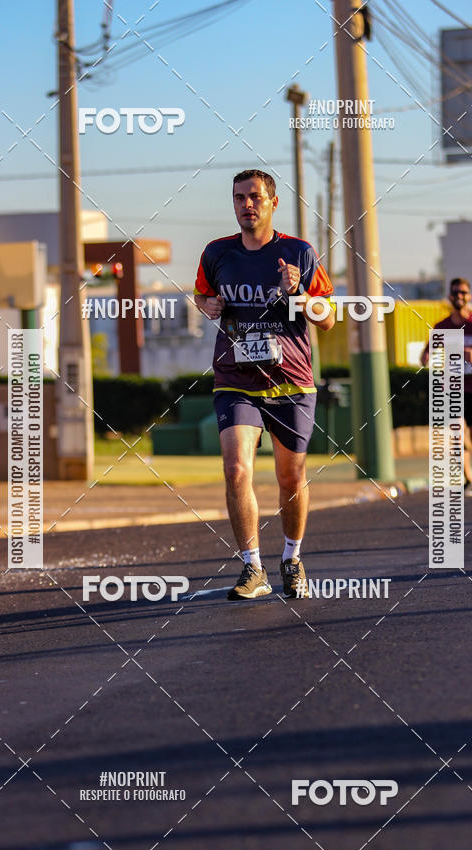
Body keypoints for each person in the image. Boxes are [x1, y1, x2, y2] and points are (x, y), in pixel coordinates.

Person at [193, 169, 335, 601]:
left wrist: (300, 294)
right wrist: (208, 304)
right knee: (236, 469)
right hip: (236, 380)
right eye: (239, 198)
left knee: (290, 478)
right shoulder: (217, 253)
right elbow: (201, 295)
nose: (246, 205)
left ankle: (292, 558)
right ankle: (252, 567)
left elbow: (328, 318)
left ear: (273, 202)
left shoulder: (299, 253)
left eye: (254, 197)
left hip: (291, 381)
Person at [421, 277, 472, 496]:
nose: (460, 296)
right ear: (450, 296)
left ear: (470, 296)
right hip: (454, 389)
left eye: (463, 293)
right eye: (455, 292)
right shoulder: (442, 327)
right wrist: (427, 355)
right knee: (456, 436)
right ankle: (468, 480)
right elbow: (426, 352)